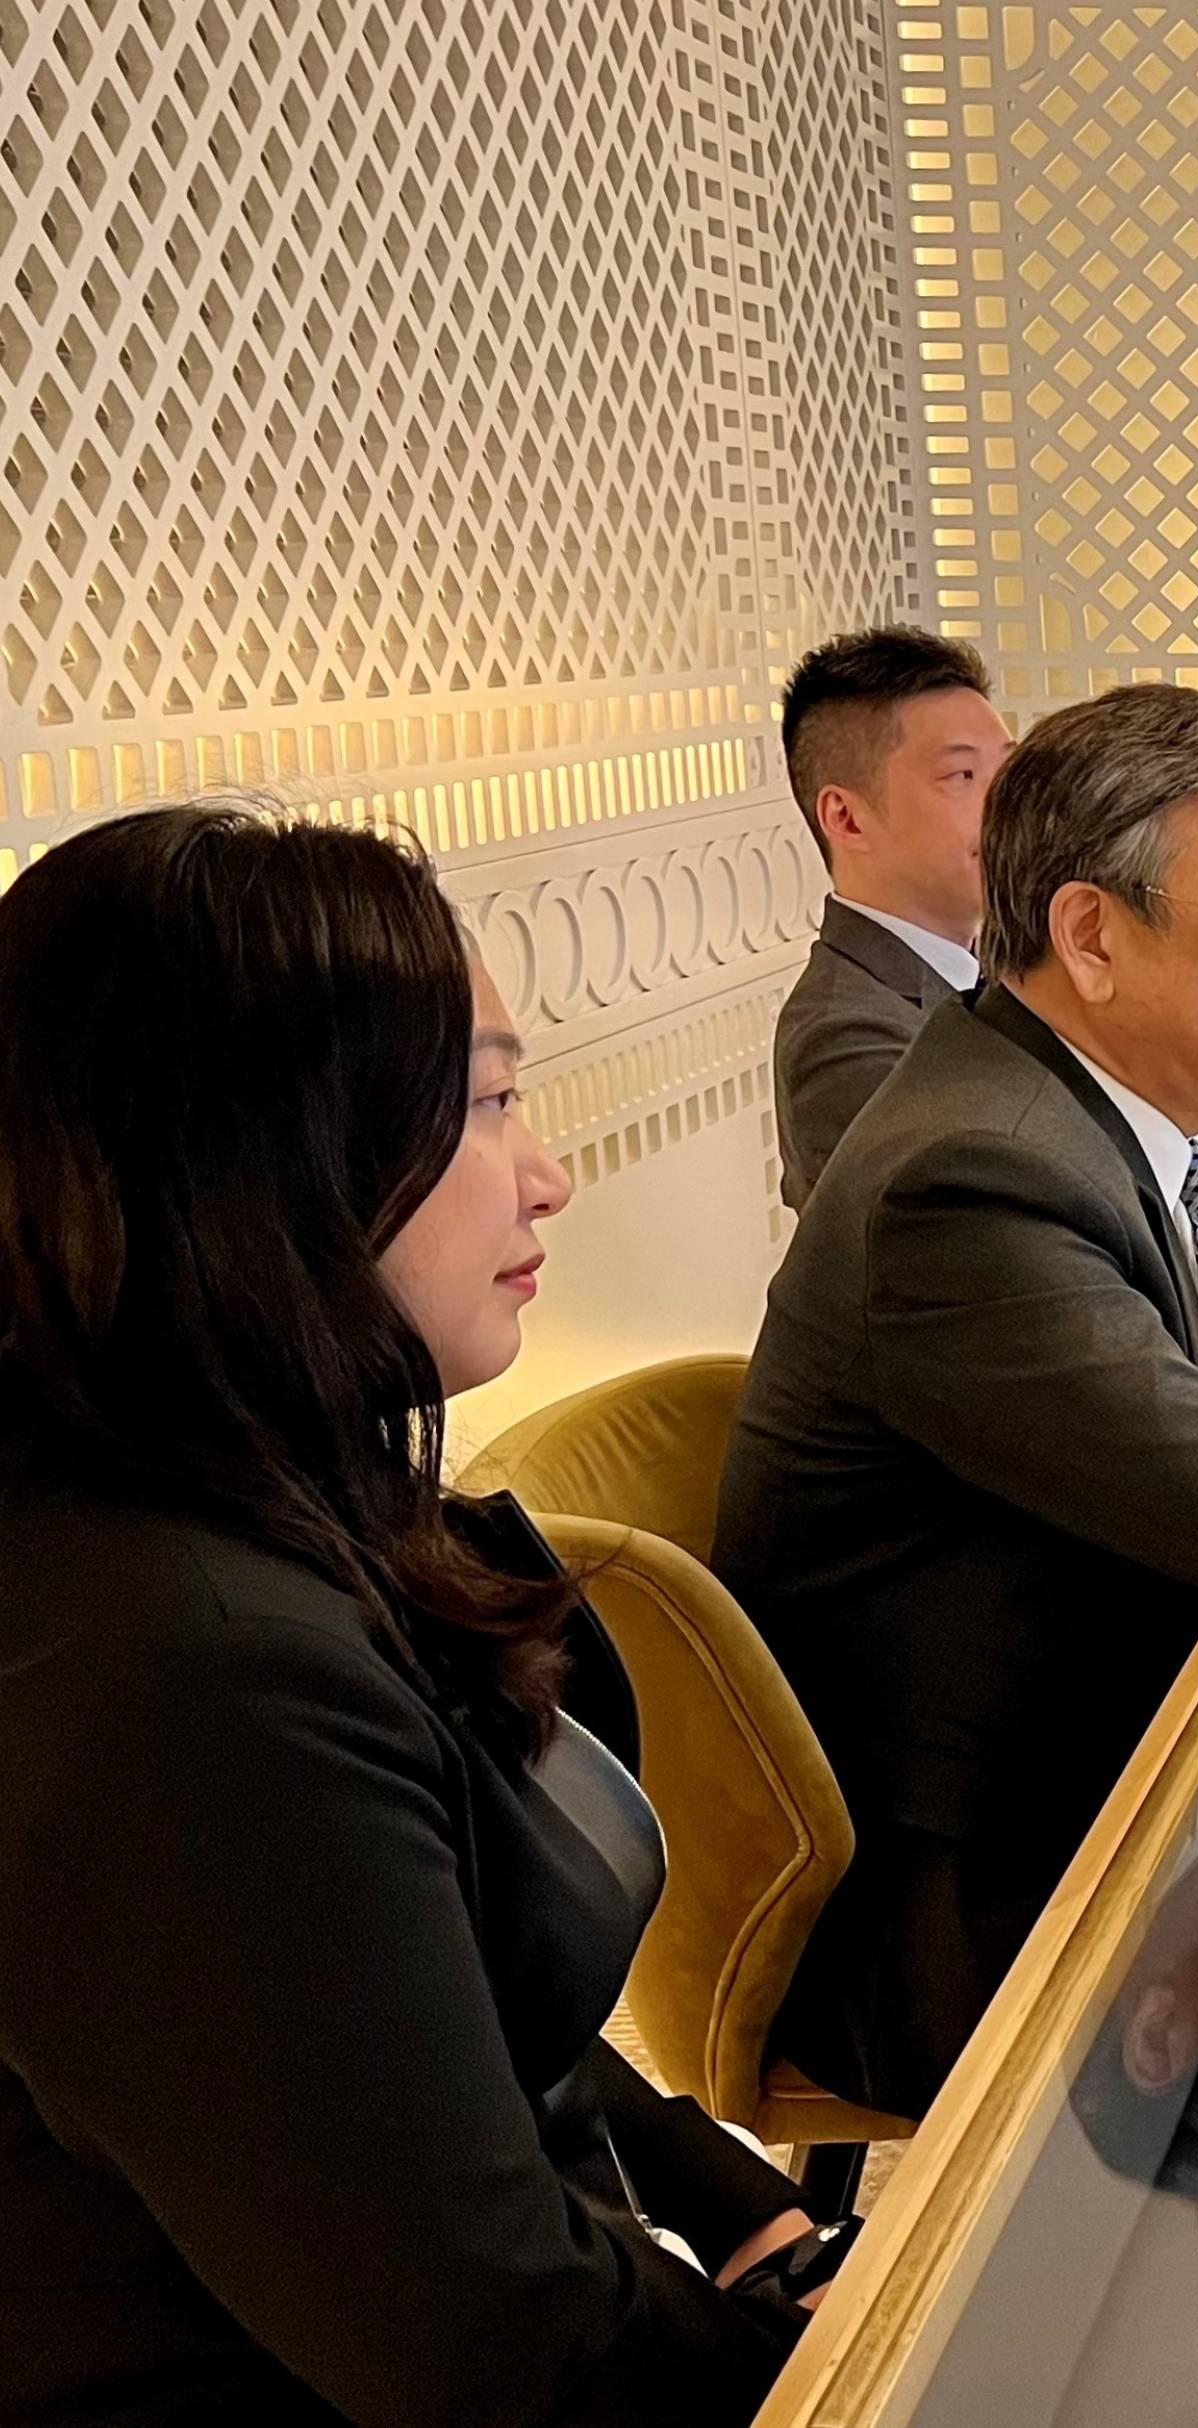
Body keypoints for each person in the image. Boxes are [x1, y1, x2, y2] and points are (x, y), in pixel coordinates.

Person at [0, 806, 840, 2427]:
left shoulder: (268, 1479)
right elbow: (490, 2339)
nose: (550, 1169)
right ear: (265, 1150)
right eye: (495, 1101)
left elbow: (451, 2030)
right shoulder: (185, 1673)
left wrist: (743, 2207)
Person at [721, 682, 1198, 2117]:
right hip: (999, 1897)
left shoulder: (1157, 1107)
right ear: (1089, 935)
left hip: (1149, 1763)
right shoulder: (971, 1175)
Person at [770, 627, 1012, 1209]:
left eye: (1007, 771)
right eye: (963, 776)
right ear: (847, 819)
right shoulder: (845, 1040)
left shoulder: (1000, 966)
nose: (1006, 803)